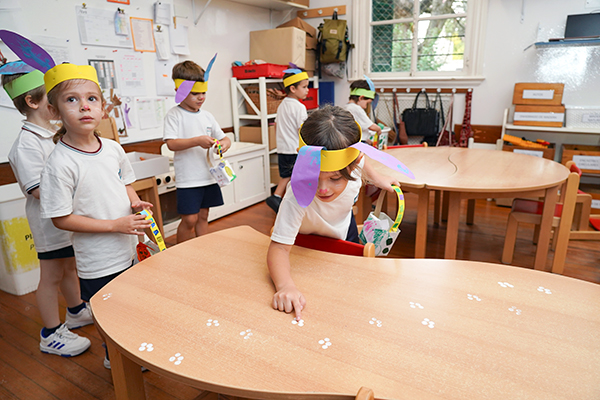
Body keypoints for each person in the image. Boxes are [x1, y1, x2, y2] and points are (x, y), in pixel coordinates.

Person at [38, 63, 153, 366]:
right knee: (107, 310)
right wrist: (115, 225)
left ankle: (129, 347)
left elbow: (124, 183)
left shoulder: (113, 149)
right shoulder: (59, 163)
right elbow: (61, 218)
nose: (84, 106)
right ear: (54, 111)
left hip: (128, 247)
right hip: (97, 259)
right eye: (71, 100)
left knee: (131, 301)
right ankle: (113, 356)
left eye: (92, 99)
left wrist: (136, 203)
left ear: (103, 107)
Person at [267, 105, 413, 320]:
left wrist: (378, 179)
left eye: (335, 178)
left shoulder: (355, 163)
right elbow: (279, 248)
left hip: (345, 228)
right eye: (314, 178)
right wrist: (285, 286)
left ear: (352, 166)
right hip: (308, 246)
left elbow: (362, 159)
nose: (323, 189)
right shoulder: (296, 196)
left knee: (351, 290)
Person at [1, 61, 93, 357]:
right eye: (53, 97)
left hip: (68, 220)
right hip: (49, 224)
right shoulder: (26, 144)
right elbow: (39, 190)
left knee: (69, 267)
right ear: (32, 101)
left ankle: (76, 311)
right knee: (51, 275)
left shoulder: (54, 134)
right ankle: (50, 333)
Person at [163, 57, 231, 243]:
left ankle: (204, 247)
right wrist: (197, 141)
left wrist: (224, 144)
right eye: (195, 93)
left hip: (208, 176)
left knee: (203, 216)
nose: (201, 97)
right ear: (179, 91)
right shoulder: (174, 115)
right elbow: (171, 144)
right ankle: (182, 252)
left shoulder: (207, 116)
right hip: (188, 179)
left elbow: (224, 137)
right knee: (189, 219)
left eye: (203, 93)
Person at [265, 69, 309, 213]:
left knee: (287, 175)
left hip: (283, 148)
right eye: (304, 87)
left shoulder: (282, 104)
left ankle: (277, 196)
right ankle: (289, 201)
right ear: (293, 88)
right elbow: (302, 130)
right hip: (294, 149)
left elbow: (276, 125)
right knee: (296, 177)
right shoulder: (299, 107)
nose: (307, 90)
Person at [342, 77, 381, 145]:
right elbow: (371, 126)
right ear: (361, 98)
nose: (366, 107)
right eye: (367, 103)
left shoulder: (346, 107)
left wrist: (367, 139)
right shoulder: (356, 109)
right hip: (359, 142)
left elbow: (359, 128)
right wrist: (379, 129)